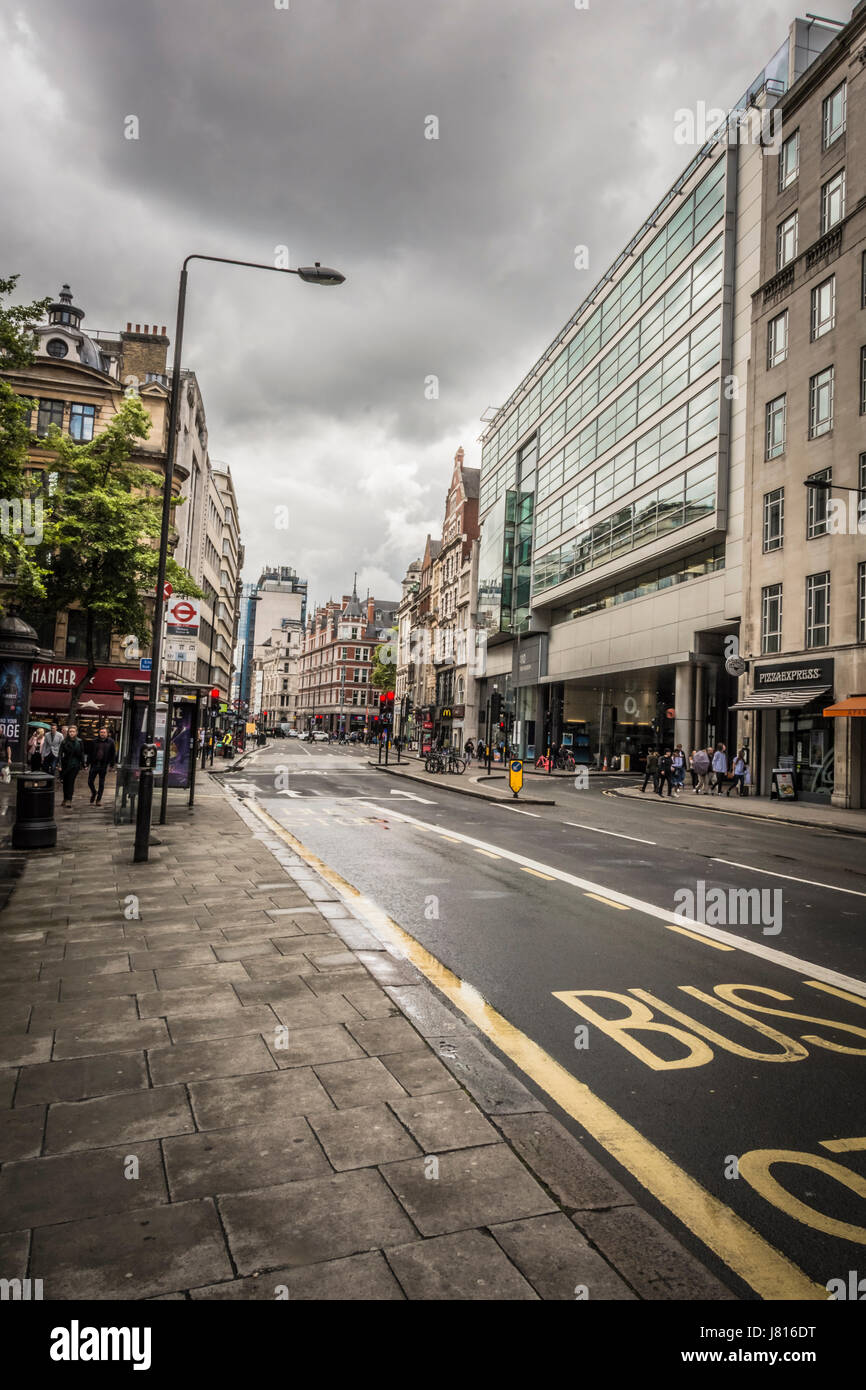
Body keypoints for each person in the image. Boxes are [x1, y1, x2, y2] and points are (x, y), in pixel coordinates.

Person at [86, 725, 117, 805]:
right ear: (99, 733)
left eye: (104, 732)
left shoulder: (111, 742)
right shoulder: (94, 741)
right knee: (90, 781)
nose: (102, 734)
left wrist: (112, 765)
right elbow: (90, 753)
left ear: (107, 733)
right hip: (94, 764)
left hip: (104, 765)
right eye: (101, 732)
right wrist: (87, 764)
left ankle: (98, 800)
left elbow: (113, 754)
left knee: (101, 783)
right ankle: (94, 792)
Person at [59, 724, 85, 808]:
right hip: (65, 764)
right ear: (68, 732)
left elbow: (82, 754)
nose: (71, 733)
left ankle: (69, 800)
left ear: (76, 732)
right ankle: (65, 798)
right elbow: (59, 754)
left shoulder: (80, 741)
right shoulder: (64, 741)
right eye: (70, 731)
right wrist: (59, 764)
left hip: (75, 765)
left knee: (70, 782)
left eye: (73, 731)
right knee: (65, 782)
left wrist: (84, 764)